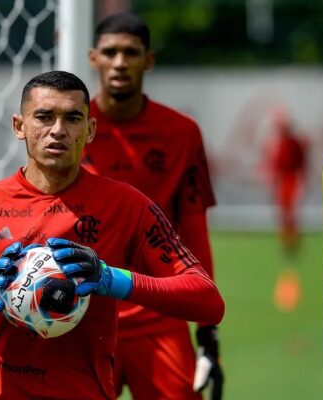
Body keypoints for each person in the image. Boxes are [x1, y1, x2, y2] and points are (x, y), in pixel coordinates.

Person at [0, 70, 225, 400]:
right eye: (44, 117)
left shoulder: (127, 205)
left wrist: (110, 279)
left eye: (72, 118)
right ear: (19, 126)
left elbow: (208, 300)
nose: (58, 131)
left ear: (90, 130)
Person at [82, 13, 224, 400]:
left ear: (149, 60)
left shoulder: (181, 133)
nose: (120, 62)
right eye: (110, 52)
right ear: (93, 59)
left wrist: (207, 328)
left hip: (160, 313)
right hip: (85, 316)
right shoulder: (71, 130)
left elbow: (194, 227)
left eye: (131, 52)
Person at [259, 107, 308, 252]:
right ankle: (284, 239)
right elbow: (275, 163)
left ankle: (292, 239)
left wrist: (301, 179)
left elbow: (300, 162)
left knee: (291, 210)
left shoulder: (293, 143)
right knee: (282, 210)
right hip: (282, 179)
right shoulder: (278, 143)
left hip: (291, 177)